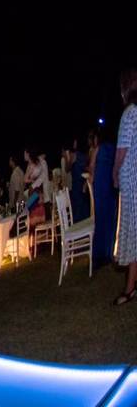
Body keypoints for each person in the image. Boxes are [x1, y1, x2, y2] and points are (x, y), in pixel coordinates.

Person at [113, 68, 137, 305]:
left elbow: (121, 151)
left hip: (132, 183)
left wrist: (114, 174)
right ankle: (131, 287)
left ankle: (130, 288)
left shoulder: (129, 113)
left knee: (132, 235)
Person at [92, 123, 118, 269]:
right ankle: (108, 253)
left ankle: (98, 255)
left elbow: (91, 167)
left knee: (100, 220)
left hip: (101, 188)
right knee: (110, 220)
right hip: (110, 187)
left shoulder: (98, 149)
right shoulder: (113, 148)